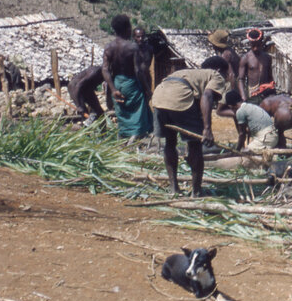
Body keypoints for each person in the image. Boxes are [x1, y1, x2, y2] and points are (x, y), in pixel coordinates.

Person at [149, 56, 230, 196]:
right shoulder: (215, 75)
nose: (225, 77)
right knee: (195, 145)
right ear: (218, 70)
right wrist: (207, 129)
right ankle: (197, 192)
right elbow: (207, 97)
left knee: (170, 143)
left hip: (158, 96)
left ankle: (174, 189)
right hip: (179, 96)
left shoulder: (191, 73)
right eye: (225, 73)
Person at [102, 14, 153, 140]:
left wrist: (113, 89)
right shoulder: (132, 47)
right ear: (127, 29)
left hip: (117, 82)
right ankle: (134, 138)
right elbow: (138, 71)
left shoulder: (108, 47)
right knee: (139, 112)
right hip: (131, 83)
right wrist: (147, 89)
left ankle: (122, 140)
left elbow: (105, 69)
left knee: (122, 113)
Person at [238, 28, 276, 104]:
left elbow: (270, 77)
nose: (255, 48)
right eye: (253, 45)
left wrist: (272, 91)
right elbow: (240, 79)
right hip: (252, 93)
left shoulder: (267, 58)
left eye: (258, 45)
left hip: (266, 93)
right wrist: (243, 96)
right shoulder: (245, 58)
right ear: (249, 44)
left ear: (261, 43)